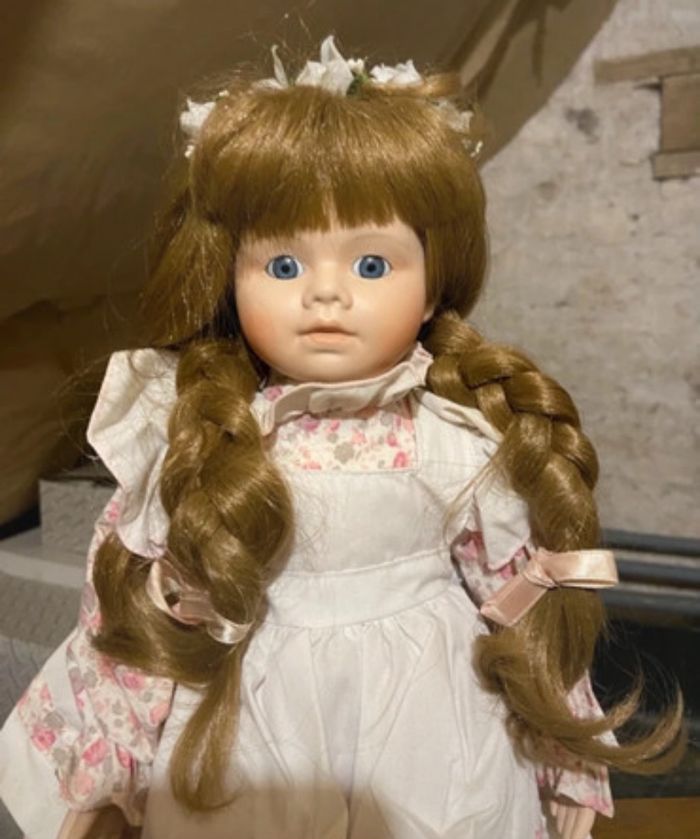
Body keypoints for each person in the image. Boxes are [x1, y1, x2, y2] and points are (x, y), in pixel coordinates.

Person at [0, 36, 681, 839]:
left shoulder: (458, 435)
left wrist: (562, 748)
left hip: (434, 732)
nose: (326, 293)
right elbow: (140, 621)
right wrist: (107, 767)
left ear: (434, 281)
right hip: (254, 729)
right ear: (230, 275)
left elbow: (521, 603)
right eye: (284, 267)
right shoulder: (211, 439)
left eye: (372, 265)